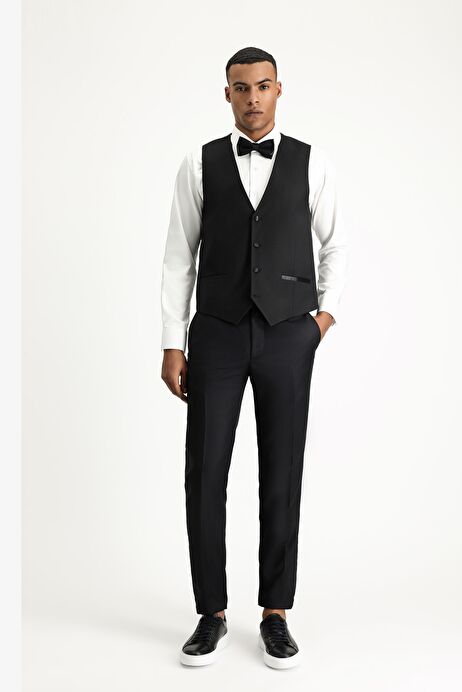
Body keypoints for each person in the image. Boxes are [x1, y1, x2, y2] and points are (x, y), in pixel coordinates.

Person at [160, 46, 348, 669]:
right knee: (204, 472)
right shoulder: (198, 163)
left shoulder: (311, 162)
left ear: (278, 90)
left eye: (263, 86)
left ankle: (276, 613)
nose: (252, 98)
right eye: (241, 88)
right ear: (227, 94)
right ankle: (210, 612)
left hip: (288, 334)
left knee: (282, 471)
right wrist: (172, 341)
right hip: (215, 334)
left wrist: (322, 320)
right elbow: (178, 256)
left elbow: (337, 244)